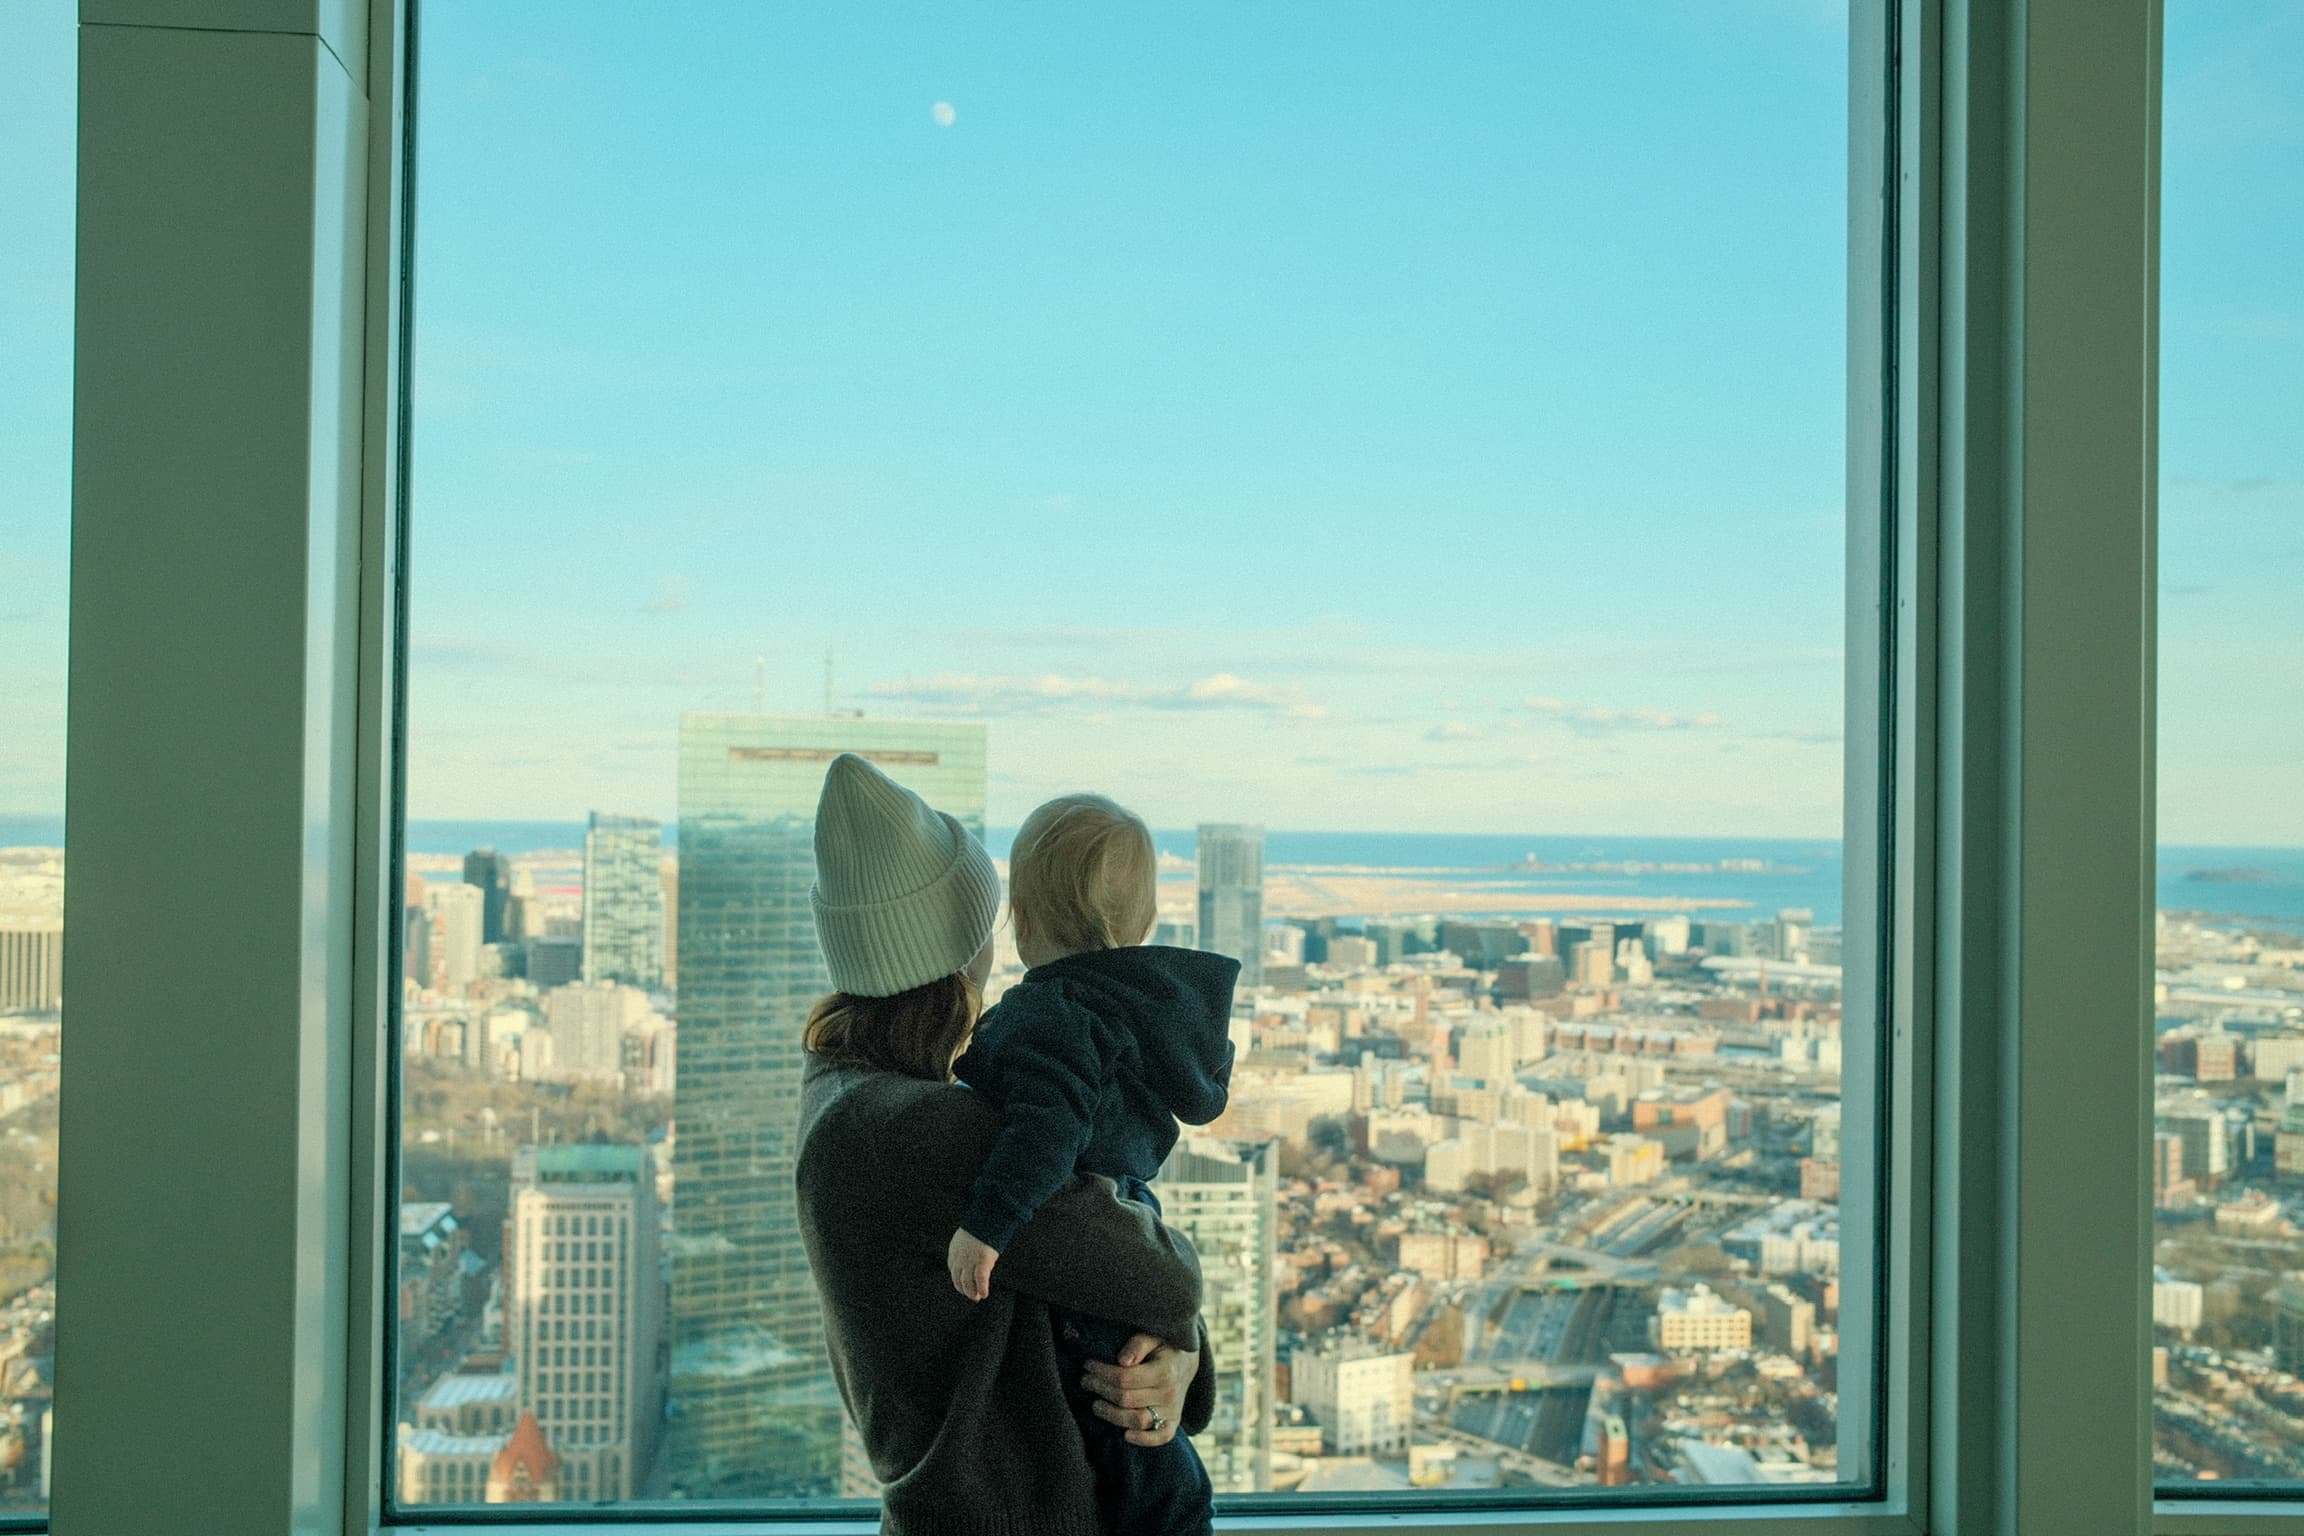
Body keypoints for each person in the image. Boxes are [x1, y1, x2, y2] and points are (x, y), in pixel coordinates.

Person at [796, 754, 1213, 1536]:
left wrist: (1175, 1364)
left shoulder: (848, 1092)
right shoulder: (916, 1131)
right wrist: (1179, 1341)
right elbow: (1157, 1273)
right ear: (960, 952)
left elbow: (1089, 1263)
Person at [944, 793, 1238, 1536]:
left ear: (1023, 917)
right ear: (1139, 925)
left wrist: (989, 1223)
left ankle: (1168, 1507)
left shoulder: (1054, 1013)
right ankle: (1174, 1502)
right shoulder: (1133, 1010)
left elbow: (1049, 1125)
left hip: (1085, 1211)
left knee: (1116, 1407)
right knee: (1133, 1401)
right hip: (1130, 1209)